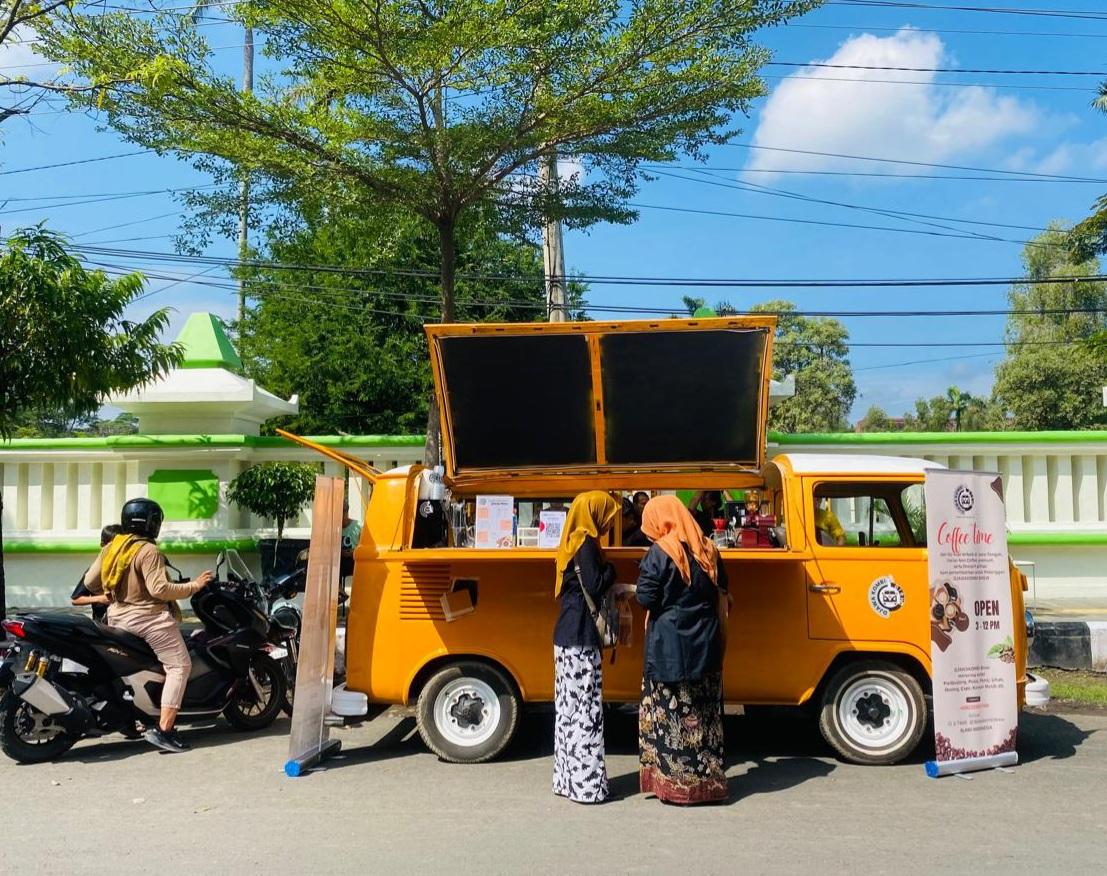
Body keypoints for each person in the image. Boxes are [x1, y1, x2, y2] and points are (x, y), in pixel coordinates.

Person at [82, 498, 213, 754]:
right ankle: (165, 729)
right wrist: (194, 586)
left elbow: (89, 581)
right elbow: (160, 589)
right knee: (179, 666)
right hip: (148, 620)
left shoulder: (113, 546)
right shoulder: (148, 550)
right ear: (152, 523)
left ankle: (142, 714)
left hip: (116, 617)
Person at [636, 494, 729, 805]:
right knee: (704, 715)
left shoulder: (660, 553)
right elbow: (722, 590)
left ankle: (678, 786)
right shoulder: (709, 549)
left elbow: (646, 598)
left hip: (671, 648)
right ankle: (708, 783)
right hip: (705, 643)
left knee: (673, 717)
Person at [552, 490, 620, 804]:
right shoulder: (586, 543)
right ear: (594, 513)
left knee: (567, 712)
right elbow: (595, 583)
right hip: (580, 635)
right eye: (607, 514)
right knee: (586, 712)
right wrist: (613, 571)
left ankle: (566, 780)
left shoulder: (569, 541)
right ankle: (587, 787)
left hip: (565, 636)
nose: (609, 520)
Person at [71, 524, 121, 622]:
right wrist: (100, 599)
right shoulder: (94, 572)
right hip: (102, 624)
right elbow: (76, 599)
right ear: (103, 546)